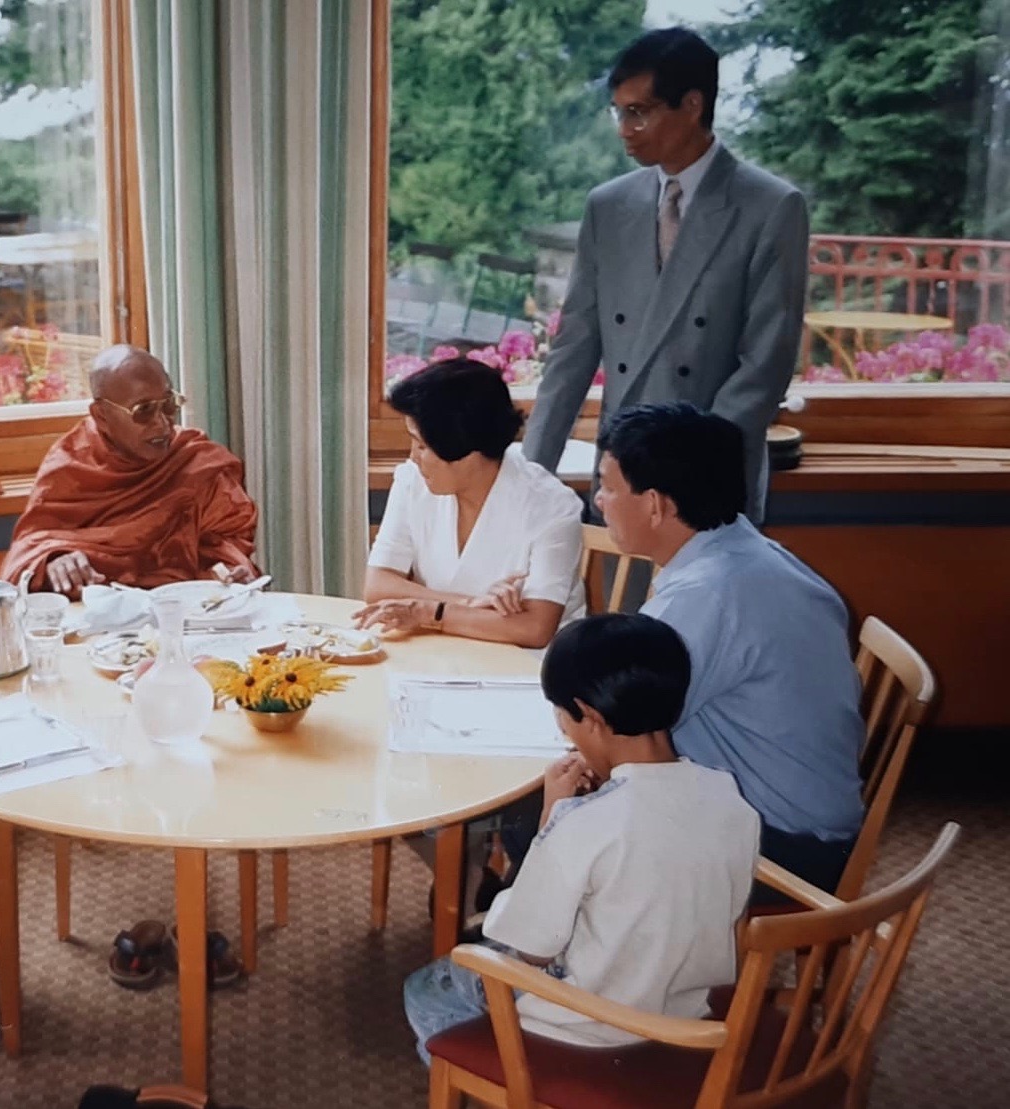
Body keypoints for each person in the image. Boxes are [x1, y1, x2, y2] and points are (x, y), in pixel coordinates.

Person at [403, 612, 760, 1058]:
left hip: (591, 1021)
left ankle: (498, 1077)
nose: (563, 729)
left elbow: (530, 948)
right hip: (684, 1007)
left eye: (562, 717)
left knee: (427, 988)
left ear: (589, 716)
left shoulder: (585, 821)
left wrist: (553, 819)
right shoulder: (728, 796)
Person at [522, 27, 809, 522]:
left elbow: (765, 365)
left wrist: (688, 471)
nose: (624, 129)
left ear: (693, 105)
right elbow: (574, 349)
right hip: (623, 476)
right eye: (618, 112)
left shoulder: (771, 207)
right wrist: (531, 474)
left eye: (639, 111)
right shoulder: (608, 206)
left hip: (709, 483)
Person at [597, 402, 865, 891]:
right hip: (816, 822)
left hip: (779, 851)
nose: (598, 500)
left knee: (549, 814)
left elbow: (618, 736)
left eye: (609, 487)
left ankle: (534, 931)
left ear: (655, 504)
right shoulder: (752, 554)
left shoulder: (706, 597)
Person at [355, 358, 585, 647]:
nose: (413, 456)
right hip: (448, 648)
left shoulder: (551, 506)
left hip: (531, 663)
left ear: (463, 448)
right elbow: (378, 585)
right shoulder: (413, 480)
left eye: (422, 445)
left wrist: (430, 612)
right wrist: (470, 604)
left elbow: (535, 628)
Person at [2, 344, 259, 596]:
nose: (162, 423)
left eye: (168, 405)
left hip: (183, 613)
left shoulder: (197, 463)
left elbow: (226, 549)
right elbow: (28, 550)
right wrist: (52, 561)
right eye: (143, 410)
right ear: (101, 416)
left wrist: (228, 574)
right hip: (99, 618)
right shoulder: (71, 465)